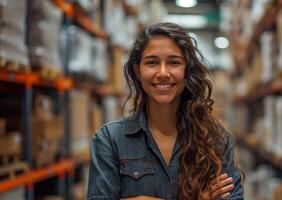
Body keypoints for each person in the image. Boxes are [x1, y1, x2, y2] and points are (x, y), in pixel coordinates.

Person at [87, 22, 244, 200]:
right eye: (152, 62)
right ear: (138, 71)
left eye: (174, 62)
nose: (163, 72)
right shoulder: (109, 140)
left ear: (187, 70)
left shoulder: (216, 140)